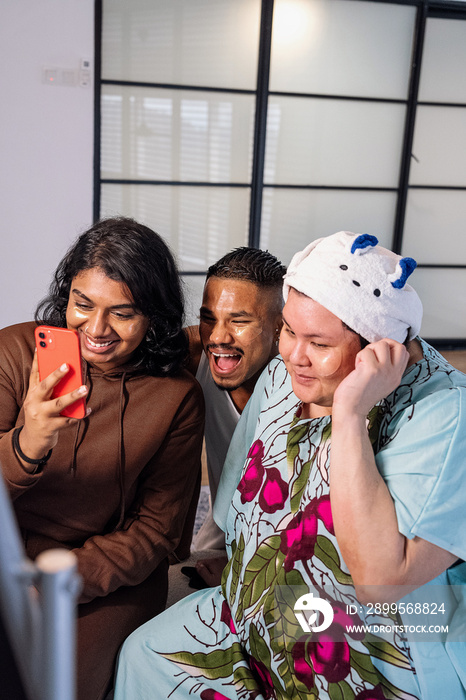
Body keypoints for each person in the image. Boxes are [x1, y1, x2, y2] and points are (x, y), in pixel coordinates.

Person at [114, 230, 466, 700]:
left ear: (379, 349)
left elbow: (383, 581)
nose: (292, 357)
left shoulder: (446, 414)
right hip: (257, 610)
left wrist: (350, 413)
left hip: (365, 645)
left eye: (318, 343)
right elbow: (240, 499)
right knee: (144, 657)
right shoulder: (285, 373)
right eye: (288, 330)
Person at [0, 217, 204, 700]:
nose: (96, 329)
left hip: (105, 572)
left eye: (123, 313)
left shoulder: (176, 396)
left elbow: (156, 530)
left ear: (154, 314)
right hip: (7, 553)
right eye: (82, 304)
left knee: (53, 682)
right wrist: (27, 444)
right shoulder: (13, 352)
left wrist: (60, 581)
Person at [179, 248, 285, 587]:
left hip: (286, 536)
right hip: (220, 525)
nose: (218, 336)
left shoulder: (304, 379)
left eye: (239, 321)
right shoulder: (196, 351)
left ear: (281, 328)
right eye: (209, 317)